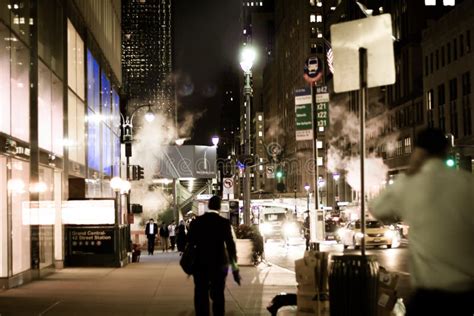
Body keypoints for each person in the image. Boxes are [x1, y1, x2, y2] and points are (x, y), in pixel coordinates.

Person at [370, 128, 474, 315]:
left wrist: (411, 170)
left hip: (429, 298)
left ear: (418, 151)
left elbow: (376, 207)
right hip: (467, 296)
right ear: (446, 150)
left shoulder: (410, 183)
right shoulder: (468, 182)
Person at [187, 196, 241, 316]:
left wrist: (189, 263)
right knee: (218, 295)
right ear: (219, 207)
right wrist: (235, 268)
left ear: (208, 206)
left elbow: (190, 243)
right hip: (219, 264)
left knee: (201, 295)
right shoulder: (224, 223)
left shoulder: (196, 222)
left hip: (200, 264)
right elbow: (231, 247)